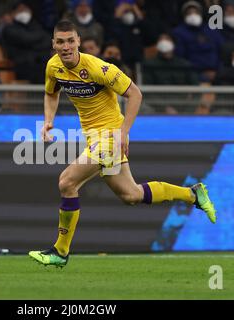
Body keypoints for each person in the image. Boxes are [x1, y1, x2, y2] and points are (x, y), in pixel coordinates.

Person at [28, 20, 217, 267]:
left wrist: (123, 132)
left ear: (78, 42)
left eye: (70, 40)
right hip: (93, 138)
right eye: (60, 41)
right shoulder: (53, 67)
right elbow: (51, 93)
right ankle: (192, 194)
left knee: (67, 181)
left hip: (110, 136)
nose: (66, 46)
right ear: (53, 44)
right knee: (131, 195)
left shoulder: (98, 68)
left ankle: (60, 252)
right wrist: (48, 121)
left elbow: (135, 94)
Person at [172, 1, 224, 82]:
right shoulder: (178, 32)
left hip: (216, 72)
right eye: (189, 13)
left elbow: (222, 51)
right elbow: (180, 57)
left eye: (196, 12)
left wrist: (216, 71)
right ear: (184, 15)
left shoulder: (211, 30)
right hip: (193, 74)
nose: (193, 15)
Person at [2, 1, 52, 83]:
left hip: (40, 62)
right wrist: (37, 40)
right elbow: (25, 39)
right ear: (13, 14)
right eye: (20, 10)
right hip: (21, 65)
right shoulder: (9, 29)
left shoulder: (36, 26)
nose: (23, 13)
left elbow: (47, 41)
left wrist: (31, 43)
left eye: (25, 10)